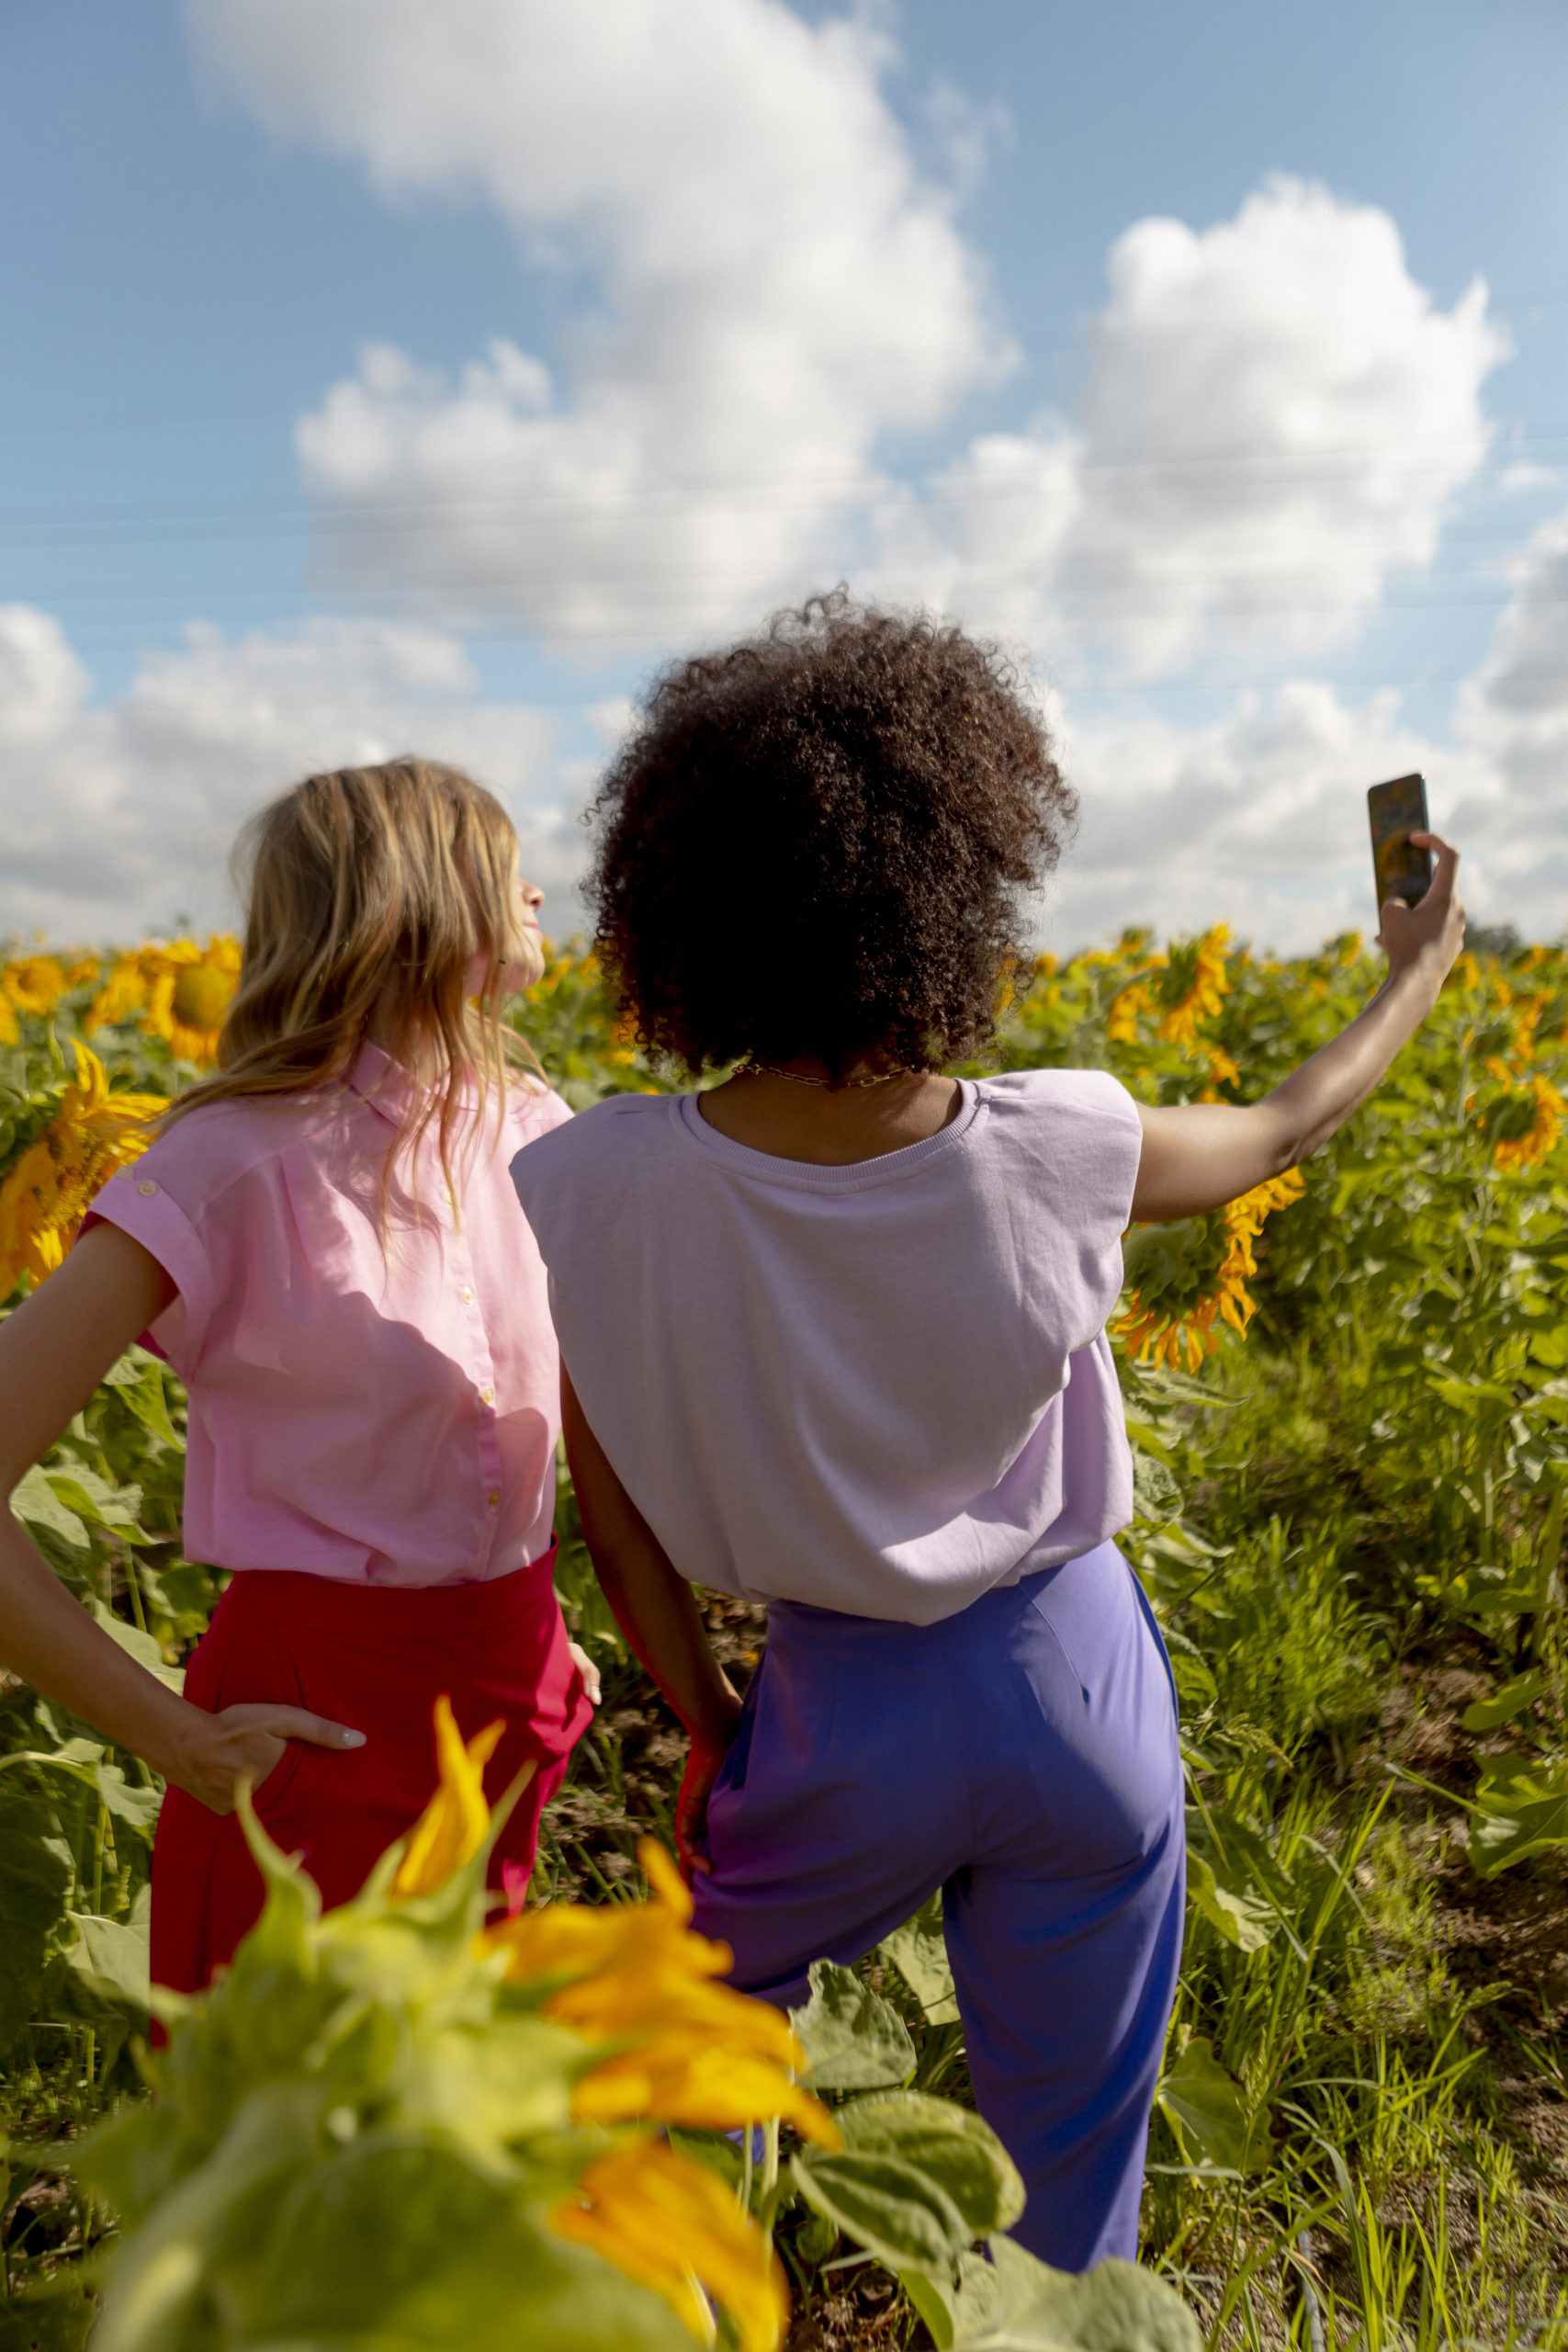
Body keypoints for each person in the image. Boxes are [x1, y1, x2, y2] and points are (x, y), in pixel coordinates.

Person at [508, 598, 1465, 2272]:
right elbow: (1280, 1121)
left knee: (696, 2052)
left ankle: (687, 2297)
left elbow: (615, 1513)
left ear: (677, 913)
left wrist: (711, 1713)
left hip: (835, 1708)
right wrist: (1413, 976)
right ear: (956, 886)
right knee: (1070, 2170)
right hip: (1077, 1687)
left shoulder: (593, 1185)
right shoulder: (1054, 1141)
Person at [0, 758, 596, 1998]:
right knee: (298, 2149)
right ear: (417, 900)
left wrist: (541, 1624)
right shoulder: (226, 1163)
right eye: (505, 866)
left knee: (453, 2146)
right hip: (316, 1730)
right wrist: (171, 1737)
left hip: (511, 1688)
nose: (540, 894)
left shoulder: (535, 1128)